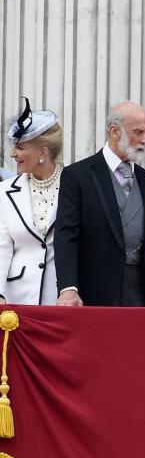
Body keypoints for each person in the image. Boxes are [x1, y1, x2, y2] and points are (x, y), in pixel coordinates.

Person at [55, 101, 145, 306]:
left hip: (139, 296)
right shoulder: (77, 176)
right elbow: (66, 235)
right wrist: (68, 289)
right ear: (114, 131)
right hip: (93, 294)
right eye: (138, 132)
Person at [0, 100, 64, 305]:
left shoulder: (74, 187)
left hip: (61, 300)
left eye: (20, 147)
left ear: (43, 152)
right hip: (16, 301)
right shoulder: (5, 190)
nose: (13, 154)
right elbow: (1, 247)